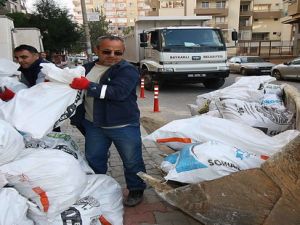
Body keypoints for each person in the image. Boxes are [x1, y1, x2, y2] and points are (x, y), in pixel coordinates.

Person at [69, 35, 147, 207]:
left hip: (123, 125)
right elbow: (69, 85)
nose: (112, 55)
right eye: (106, 51)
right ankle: (99, 187)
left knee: (132, 160)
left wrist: (88, 86)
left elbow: (117, 93)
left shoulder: (127, 70)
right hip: (93, 124)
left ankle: (136, 189)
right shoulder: (85, 68)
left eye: (118, 52)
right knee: (94, 159)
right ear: (97, 50)